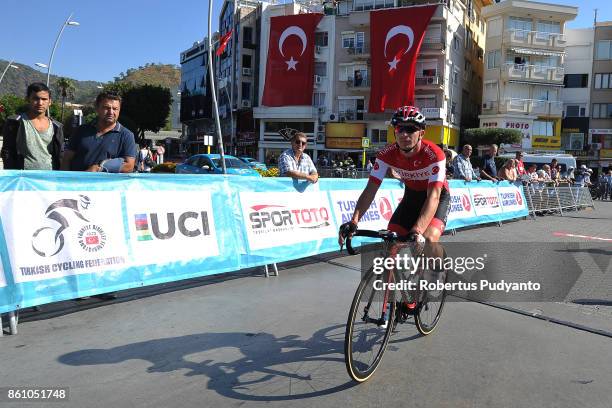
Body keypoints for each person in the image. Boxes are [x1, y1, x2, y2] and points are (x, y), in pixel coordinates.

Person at [338, 106, 450, 247]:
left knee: (428, 240)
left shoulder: (434, 154)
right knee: (391, 243)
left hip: (437, 198)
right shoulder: (386, 155)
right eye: (399, 129)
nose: (404, 134)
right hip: (412, 197)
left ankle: (441, 267)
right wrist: (354, 221)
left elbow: (434, 196)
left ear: (421, 133)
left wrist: (417, 230)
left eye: (410, 129)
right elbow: (370, 189)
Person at [61, 92, 136, 173]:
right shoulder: (81, 131)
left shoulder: (127, 135)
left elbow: (129, 166)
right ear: (97, 108)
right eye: (106, 108)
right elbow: (67, 159)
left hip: (106, 185)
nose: (111, 112)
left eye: (115, 109)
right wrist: (65, 180)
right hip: (78, 183)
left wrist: (99, 168)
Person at [1, 82, 64, 170]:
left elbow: (60, 155)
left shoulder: (56, 127)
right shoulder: (15, 122)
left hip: (49, 178)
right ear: (28, 99)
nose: (40, 103)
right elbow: (7, 152)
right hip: (23, 178)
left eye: (44, 99)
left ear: (49, 102)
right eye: (35, 98)